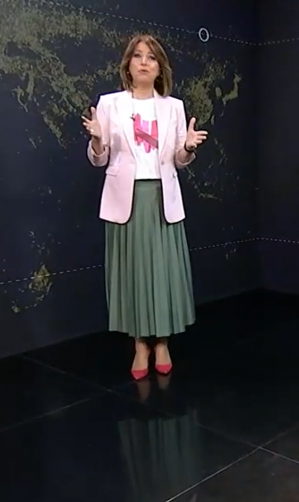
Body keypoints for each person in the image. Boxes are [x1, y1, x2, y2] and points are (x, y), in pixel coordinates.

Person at [82, 34, 208, 380]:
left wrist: (188, 147)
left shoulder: (173, 107)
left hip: (162, 199)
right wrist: (97, 139)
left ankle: (162, 342)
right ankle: (140, 344)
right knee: (133, 274)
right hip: (126, 201)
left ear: (159, 68)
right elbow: (99, 159)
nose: (143, 62)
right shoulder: (109, 105)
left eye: (151, 57)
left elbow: (179, 160)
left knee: (163, 272)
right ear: (128, 65)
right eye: (137, 56)